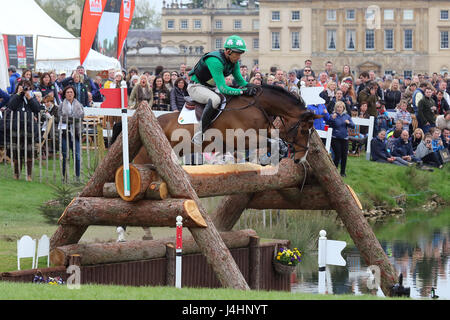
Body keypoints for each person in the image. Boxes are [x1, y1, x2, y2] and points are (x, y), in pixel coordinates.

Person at [188, 35, 257, 145]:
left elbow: (241, 82)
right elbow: (223, 88)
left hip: (211, 88)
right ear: (228, 51)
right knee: (215, 100)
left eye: (241, 53)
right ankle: (199, 133)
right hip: (196, 87)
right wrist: (242, 91)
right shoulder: (215, 61)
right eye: (237, 53)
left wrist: (255, 88)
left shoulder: (234, 63)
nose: (239, 57)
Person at [6, 80, 41, 181]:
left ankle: (29, 175)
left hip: (29, 128)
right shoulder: (15, 96)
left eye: (27, 87)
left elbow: (37, 109)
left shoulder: (32, 97)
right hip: (16, 128)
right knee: (16, 152)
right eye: (23, 86)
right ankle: (17, 174)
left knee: (29, 152)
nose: (25, 89)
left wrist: (29, 97)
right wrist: (18, 94)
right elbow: (10, 106)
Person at [58, 85, 85, 181]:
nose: (69, 94)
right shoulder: (61, 105)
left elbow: (81, 116)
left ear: (74, 94)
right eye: (68, 92)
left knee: (77, 156)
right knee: (65, 155)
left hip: (76, 133)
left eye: (71, 92)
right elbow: (61, 117)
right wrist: (73, 118)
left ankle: (77, 176)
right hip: (64, 132)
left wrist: (70, 118)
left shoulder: (79, 104)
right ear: (65, 94)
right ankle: (64, 176)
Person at [328, 101, 354, 177]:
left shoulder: (347, 116)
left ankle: (342, 172)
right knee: (337, 155)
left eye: (341, 107)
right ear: (335, 108)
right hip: (335, 138)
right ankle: (334, 172)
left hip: (345, 138)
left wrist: (348, 123)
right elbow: (328, 124)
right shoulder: (333, 115)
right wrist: (332, 119)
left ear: (343, 108)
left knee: (344, 156)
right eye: (338, 107)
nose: (339, 109)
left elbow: (353, 126)